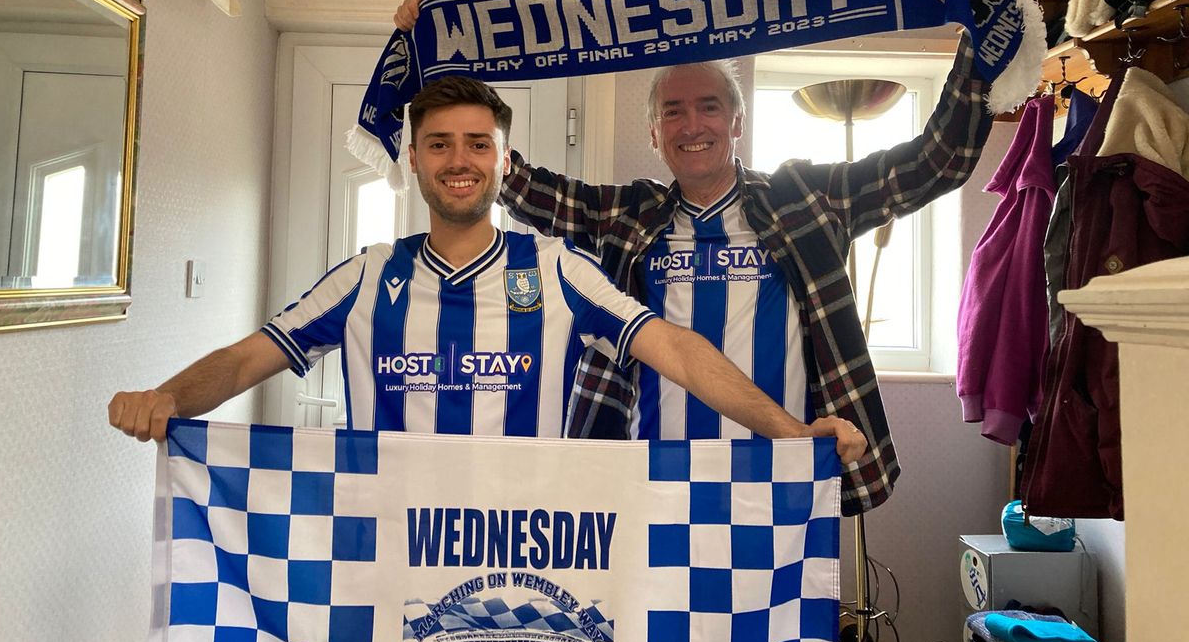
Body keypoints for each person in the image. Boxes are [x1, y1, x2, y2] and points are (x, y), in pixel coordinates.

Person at [393, 0, 1004, 515]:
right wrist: (439, 62)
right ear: (653, 132)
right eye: (673, 112)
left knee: (773, 624)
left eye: (709, 108)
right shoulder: (628, 216)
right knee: (657, 623)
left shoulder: (806, 198)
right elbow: (515, 178)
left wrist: (976, 25)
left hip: (780, 477)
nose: (692, 126)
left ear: (736, 122)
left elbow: (936, 161)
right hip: (649, 485)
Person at [109, 75, 866, 464]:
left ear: (505, 161)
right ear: (412, 162)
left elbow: (677, 351)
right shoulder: (368, 275)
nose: (459, 160)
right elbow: (248, 357)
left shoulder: (559, 268)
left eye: (478, 143)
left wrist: (791, 431)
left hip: (531, 562)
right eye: (439, 144)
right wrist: (168, 395)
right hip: (387, 557)